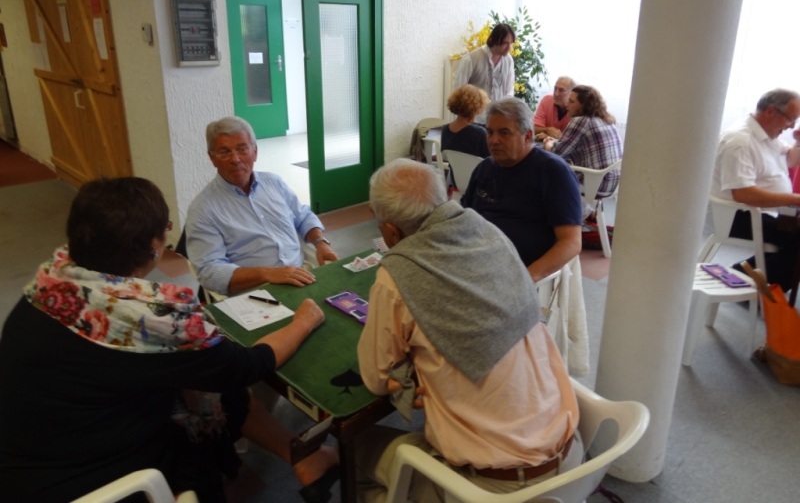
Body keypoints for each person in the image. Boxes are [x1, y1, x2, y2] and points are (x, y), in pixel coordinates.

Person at [0, 177, 338, 503]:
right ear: (154, 247)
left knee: (212, 386)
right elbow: (245, 366)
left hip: (29, 445)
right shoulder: (154, 320)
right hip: (89, 476)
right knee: (217, 386)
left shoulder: (52, 279)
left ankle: (304, 457)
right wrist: (304, 321)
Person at [355, 159, 581, 502]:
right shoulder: (491, 234)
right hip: (573, 462)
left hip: (493, 491)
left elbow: (376, 378)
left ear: (390, 231)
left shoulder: (396, 277)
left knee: (354, 451)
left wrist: (409, 374)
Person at [186, 117, 338, 296]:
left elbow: (303, 216)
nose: (235, 159)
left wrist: (321, 243)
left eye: (242, 149)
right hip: (257, 293)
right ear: (212, 158)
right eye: (224, 152)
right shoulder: (202, 210)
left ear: (255, 152)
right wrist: (266, 274)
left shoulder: (274, 183)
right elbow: (209, 271)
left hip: (303, 275)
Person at [461, 97, 584, 282]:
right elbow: (465, 218)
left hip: (520, 273)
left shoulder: (553, 171)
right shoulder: (484, 168)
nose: (493, 140)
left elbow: (571, 242)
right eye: (490, 132)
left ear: (527, 136)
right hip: (478, 265)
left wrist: (524, 279)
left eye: (504, 133)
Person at [711, 88, 800, 291]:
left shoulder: (767, 135)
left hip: (766, 212)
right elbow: (744, 194)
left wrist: (798, 141)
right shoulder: (740, 141)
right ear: (770, 112)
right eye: (791, 119)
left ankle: (746, 277)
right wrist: (795, 199)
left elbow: (792, 160)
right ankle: (753, 287)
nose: (791, 126)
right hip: (739, 216)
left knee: (794, 243)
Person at [543, 84, 622, 200]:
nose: (567, 105)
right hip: (612, 183)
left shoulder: (581, 120)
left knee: (547, 167)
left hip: (594, 184)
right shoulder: (605, 119)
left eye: (571, 102)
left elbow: (556, 152)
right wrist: (556, 141)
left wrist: (547, 143)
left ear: (584, 105)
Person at [452, 23, 516, 123]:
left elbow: (509, 90)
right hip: (473, 120)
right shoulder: (471, 59)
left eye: (511, 43)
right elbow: (459, 90)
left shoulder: (509, 60)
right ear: (493, 40)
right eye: (505, 43)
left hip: (496, 120)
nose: (509, 48)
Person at [440, 84, 490, 161]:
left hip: (455, 169)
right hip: (478, 169)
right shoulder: (480, 134)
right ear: (477, 107)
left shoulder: (445, 130)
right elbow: (491, 160)